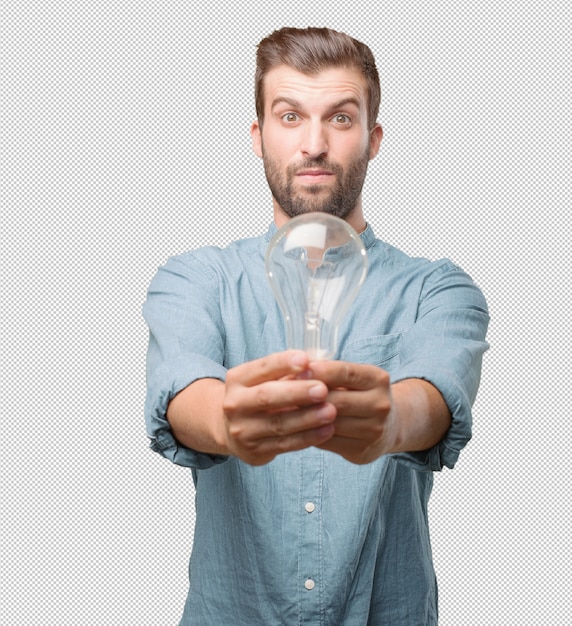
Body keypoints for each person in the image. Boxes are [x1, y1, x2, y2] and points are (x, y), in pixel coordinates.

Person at [143, 26, 489, 625]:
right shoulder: (196, 279)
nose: (314, 144)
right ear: (258, 136)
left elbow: (431, 399)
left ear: (373, 138)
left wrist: (389, 419)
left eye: (341, 118)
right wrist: (228, 420)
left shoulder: (438, 289)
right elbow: (184, 395)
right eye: (289, 116)